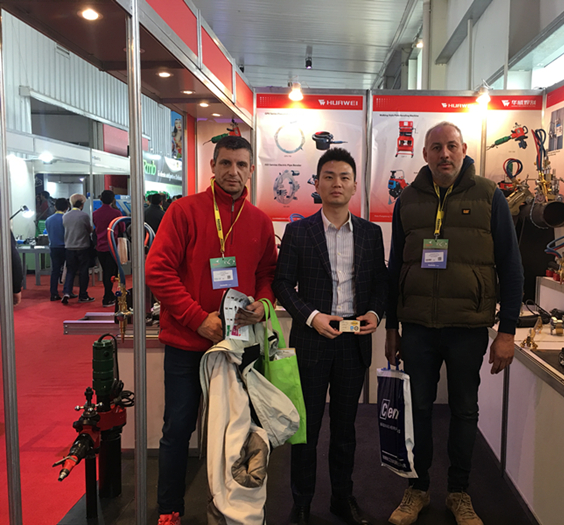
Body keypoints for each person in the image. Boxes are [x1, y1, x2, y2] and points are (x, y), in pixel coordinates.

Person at [385, 122, 523, 525]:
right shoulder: (407, 200)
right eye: (436, 147)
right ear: (424, 154)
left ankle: (459, 492)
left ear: (463, 150)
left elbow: (511, 267)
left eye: (451, 146)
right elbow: (396, 267)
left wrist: (508, 331)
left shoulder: (490, 196)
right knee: (418, 410)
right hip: (418, 328)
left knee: (464, 411)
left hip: (467, 327)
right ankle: (417, 489)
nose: (444, 154)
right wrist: (392, 327)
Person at [145, 135, 277, 525]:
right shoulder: (183, 211)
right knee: (178, 428)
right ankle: (169, 508)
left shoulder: (259, 220)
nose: (233, 171)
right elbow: (158, 271)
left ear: (251, 170)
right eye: (226, 163)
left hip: (238, 347)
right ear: (213, 167)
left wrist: (263, 304)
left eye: (241, 164)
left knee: (237, 431)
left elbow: (268, 274)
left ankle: (232, 509)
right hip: (188, 344)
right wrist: (197, 318)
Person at [273, 148, 388, 525]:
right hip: (312, 340)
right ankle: (302, 502)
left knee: (345, 429)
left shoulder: (371, 234)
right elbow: (282, 284)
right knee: (305, 429)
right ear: (317, 184)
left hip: (353, 343)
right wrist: (312, 316)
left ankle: (342, 497)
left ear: (354, 186)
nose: (337, 183)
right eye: (329, 176)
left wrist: (374, 314)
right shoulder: (298, 231)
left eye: (344, 177)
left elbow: (380, 284)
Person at [62, 194, 94, 304]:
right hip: (83, 247)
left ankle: (67, 292)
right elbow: (89, 230)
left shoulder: (65, 216)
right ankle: (83, 295)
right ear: (82, 204)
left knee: (70, 271)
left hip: (69, 247)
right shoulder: (84, 216)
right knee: (83, 271)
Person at [93, 190, 123, 307]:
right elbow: (122, 228)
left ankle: (109, 294)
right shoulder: (116, 213)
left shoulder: (95, 213)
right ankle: (107, 297)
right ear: (113, 199)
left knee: (106, 271)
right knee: (110, 273)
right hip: (112, 246)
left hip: (100, 246)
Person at [45, 197, 69, 301]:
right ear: (67, 207)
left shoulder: (48, 219)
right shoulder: (66, 218)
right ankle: (67, 291)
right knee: (68, 270)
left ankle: (53, 293)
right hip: (65, 247)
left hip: (54, 247)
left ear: (55, 207)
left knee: (55, 271)